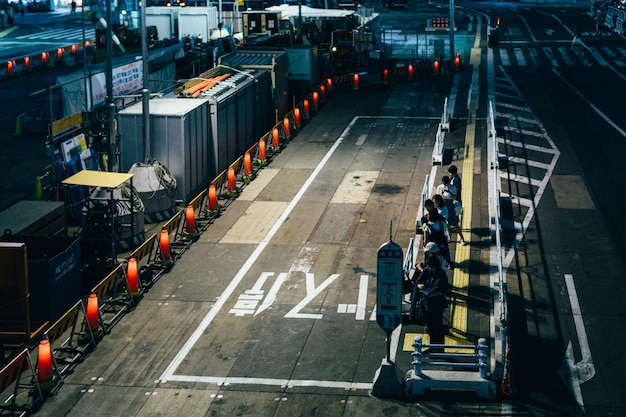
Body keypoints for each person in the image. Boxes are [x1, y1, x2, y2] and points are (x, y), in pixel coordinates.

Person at [415, 255, 450, 350]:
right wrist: (420, 286)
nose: (430, 268)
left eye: (431, 267)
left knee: (438, 327)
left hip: (438, 305)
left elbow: (446, 290)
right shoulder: (426, 271)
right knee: (430, 327)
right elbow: (418, 282)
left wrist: (435, 293)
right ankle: (432, 346)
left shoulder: (441, 274)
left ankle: (439, 348)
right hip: (427, 305)